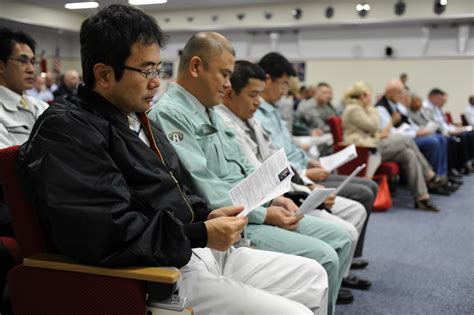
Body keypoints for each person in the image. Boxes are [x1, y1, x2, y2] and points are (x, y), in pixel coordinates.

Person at [17, 5, 328, 315]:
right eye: (147, 71)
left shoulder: (136, 119)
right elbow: (107, 231)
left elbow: (176, 189)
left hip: (193, 248)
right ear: (104, 74)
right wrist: (200, 232)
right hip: (157, 272)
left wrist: (208, 215)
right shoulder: (68, 129)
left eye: (158, 70)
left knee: (313, 277)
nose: (156, 82)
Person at [149, 31, 353, 313]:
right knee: (324, 258)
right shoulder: (171, 113)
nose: (228, 85)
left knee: (316, 270)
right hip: (228, 222)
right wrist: (264, 212)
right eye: (224, 74)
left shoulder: (211, 111)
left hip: (245, 213)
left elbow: (245, 165)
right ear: (196, 67)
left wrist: (272, 197)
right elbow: (206, 185)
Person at [216, 59, 371, 292]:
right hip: (258, 206)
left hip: (279, 194)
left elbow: (276, 161)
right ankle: (332, 283)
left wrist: (305, 185)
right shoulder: (227, 122)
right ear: (230, 93)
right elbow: (252, 174)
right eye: (252, 95)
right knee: (336, 242)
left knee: (342, 233)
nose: (258, 101)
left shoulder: (251, 119)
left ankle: (334, 282)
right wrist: (287, 197)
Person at [253, 53, 378, 258]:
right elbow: (274, 158)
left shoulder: (273, 111)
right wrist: (306, 173)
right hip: (296, 177)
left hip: (303, 171)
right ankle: (347, 257)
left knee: (367, 188)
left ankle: (348, 257)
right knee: (363, 194)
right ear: (267, 80)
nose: (285, 92)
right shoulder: (258, 114)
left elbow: (289, 146)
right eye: (283, 84)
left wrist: (313, 162)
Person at [0, 26, 48, 313]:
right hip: (8, 199)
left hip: (42, 192)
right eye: (23, 61)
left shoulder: (39, 105)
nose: (32, 68)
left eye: (33, 61)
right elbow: (8, 167)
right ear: (1, 65)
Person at [342, 81, 440, 211]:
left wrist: (378, 131)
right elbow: (372, 126)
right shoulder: (354, 109)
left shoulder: (362, 108)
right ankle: (429, 174)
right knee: (406, 140)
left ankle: (422, 197)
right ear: (362, 96)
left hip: (372, 145)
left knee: (408, 154)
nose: (371, 99)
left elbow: (372, 131)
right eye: (369, 96)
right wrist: (372, 109)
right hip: (363, 150)